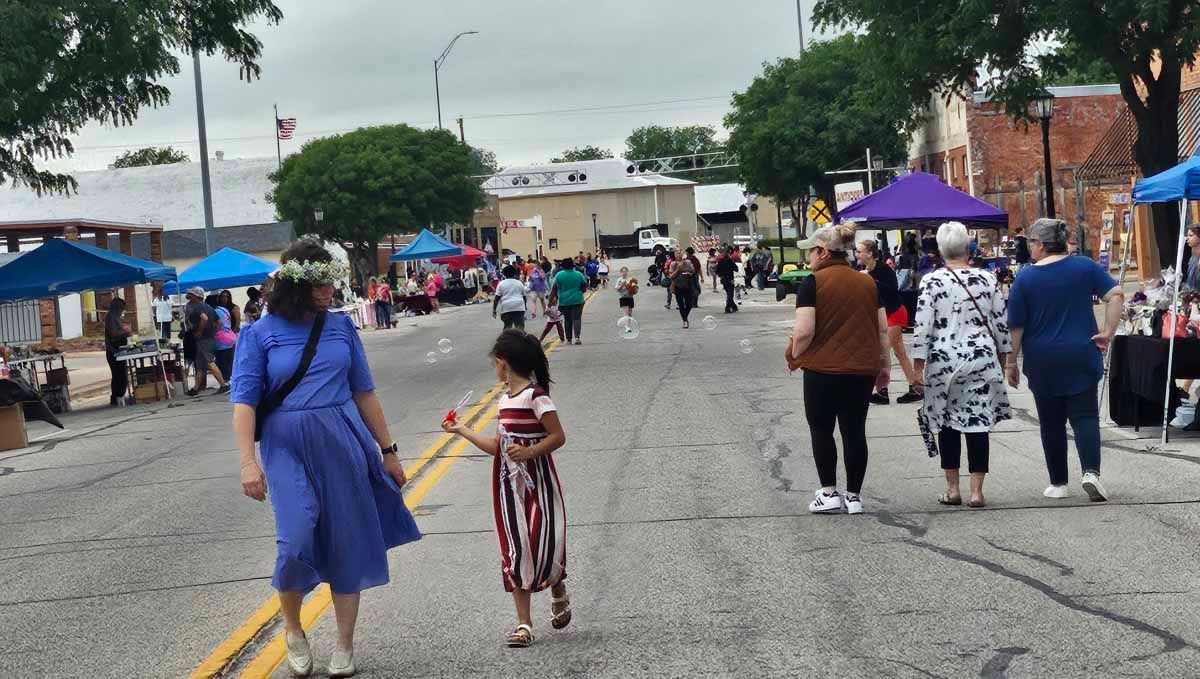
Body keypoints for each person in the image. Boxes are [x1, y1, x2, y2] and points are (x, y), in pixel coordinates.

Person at [231, 241, 419, 677]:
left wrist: (388, 451)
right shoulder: (259, 334)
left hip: (343, 438)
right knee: (295, 536)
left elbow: (364, 391)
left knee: (346, 538)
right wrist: (247, 461)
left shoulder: (340, 328)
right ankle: (294, 629)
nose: (330, 288)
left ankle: (345, 644)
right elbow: (244, 402)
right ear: (296, 284)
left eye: (332, 279)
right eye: (320, 282)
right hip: (285, 443)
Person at [442, 330, 571, 648]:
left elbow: (558, 436)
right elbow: (497, 446)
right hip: (508, 486)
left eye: (494, 364)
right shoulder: (504, 401)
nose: (494, 369)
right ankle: (524, 624)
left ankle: (556, 584)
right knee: (517, 549)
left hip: (538, 481)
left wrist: (529, 452)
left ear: (503, 364)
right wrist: (463, 430)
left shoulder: (536, 396)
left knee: (545, 540)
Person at [1007, 218, 1124, 502]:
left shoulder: (1024, 278)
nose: (1029, 247)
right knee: (1085, 416)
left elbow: (1017, 326)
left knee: (1051, 421)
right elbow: (1116, 294)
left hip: (1042, 357)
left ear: (1043, 245)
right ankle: (1091, 472)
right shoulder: (1084, 267)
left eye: (1032, 242)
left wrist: (1010, 362)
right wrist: (1107, 332)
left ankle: (1058, 482)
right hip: (1081, 351)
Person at [785, 223, 888, 515]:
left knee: (821, 429)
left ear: (822, 252)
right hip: (861, 370)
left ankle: (828, 492)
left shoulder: (812, 283)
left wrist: (794, 355)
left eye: (811, 253)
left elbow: (804, 331)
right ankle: (854, 497)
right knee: (854, 431)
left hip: (822, 370)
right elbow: (882, 330)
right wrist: (884, 366)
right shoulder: (869, 282)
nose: (808, 259)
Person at [911, 222, 1012, 508]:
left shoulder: (931, 282)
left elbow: (923, 327)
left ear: (940, 250)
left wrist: (917, 366)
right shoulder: (986, 279)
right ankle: (977, 491)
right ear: (968, 247)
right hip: (981, 358)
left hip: (944, 361)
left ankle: (953, 489)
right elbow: (1000, 322)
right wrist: (1008, 359)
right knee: (978, 422)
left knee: (946, 424)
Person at [856, 240, 921, 405]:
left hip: (894, 312)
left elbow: (892, 290)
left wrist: (870, 279)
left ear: (870, 253)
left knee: (895, 351)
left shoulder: (884, 270)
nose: (857, 254)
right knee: (883, 353)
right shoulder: (862, 271)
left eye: (860, 251)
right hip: (881, 314)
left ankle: (914, 387)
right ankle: (883, 390)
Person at [184, 287, 228, 397]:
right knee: (200, 365)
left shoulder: (197, 307)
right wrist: (213, 331)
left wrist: (200, 331)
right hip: (208, 338)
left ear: (196, 296)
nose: (188, 295)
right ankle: (195, 389)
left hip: (203, 339)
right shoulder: (209, 307)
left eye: (191, 293)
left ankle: (223, 385)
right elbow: (218, 322)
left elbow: (204, 318)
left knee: (209, 362)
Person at [552, 258, 587, 345]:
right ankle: (577, 338)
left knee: (567, 320)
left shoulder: (559, 275)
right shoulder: (578, 274)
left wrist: (552, 299)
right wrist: (579, 292)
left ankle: (568, 339)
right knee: (577, 319)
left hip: (564, 301)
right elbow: (584, 286)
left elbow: (554, 288)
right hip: (577, 299)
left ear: (563, 266)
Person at [104, 297, 132, 406]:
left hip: (119, 350)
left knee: (121, 374)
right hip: (113, 351)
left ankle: (119, 396)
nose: (122, 311)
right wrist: (125, 332)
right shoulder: (111, 317)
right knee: (118, 375)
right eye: (121, 308)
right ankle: (116, 397)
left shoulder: (116, 317)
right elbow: (114, 333)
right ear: (117, 307)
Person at [206, 293, 238, 384]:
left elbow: (218, 324)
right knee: (230, 361)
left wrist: (213, 331)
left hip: (221, 339)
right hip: (230, 336)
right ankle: (231, 380)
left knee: (222, 362)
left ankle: (226, 382)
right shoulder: (223, 309)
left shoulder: (213, 312)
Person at [494, 265, 528, 331]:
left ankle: (507, 339)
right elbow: (524, 296)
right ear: (514, 273)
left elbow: (496, 298)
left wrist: (494, 310)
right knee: (520, 327)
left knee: (507, 326)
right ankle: (520, 339)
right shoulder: (519, 283)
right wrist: (525, 306)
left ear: (504, 274)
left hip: (506, 307)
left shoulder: (501, 284)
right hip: (519, 306)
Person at [669, 254, 697, 329]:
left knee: (689, 304)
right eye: (677, 255)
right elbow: (671, 276)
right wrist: (678, 269)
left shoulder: (688, 262)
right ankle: (685, 320)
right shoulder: (673, 264)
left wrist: (688, 272)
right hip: (678, 286)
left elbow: (693, 271)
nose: (680, 256)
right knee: (681, 304)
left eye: (680, 254)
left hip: (688, 286)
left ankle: (685, 316)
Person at [715, 246, 739, 313]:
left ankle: (734, 306)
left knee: (728, 293)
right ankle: (728, 307)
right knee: (730, 293)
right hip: (730, 279)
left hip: (723, 279)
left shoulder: (720, 262)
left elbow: (717, 271)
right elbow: (736, 269)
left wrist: (720, 274)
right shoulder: (730, 261)